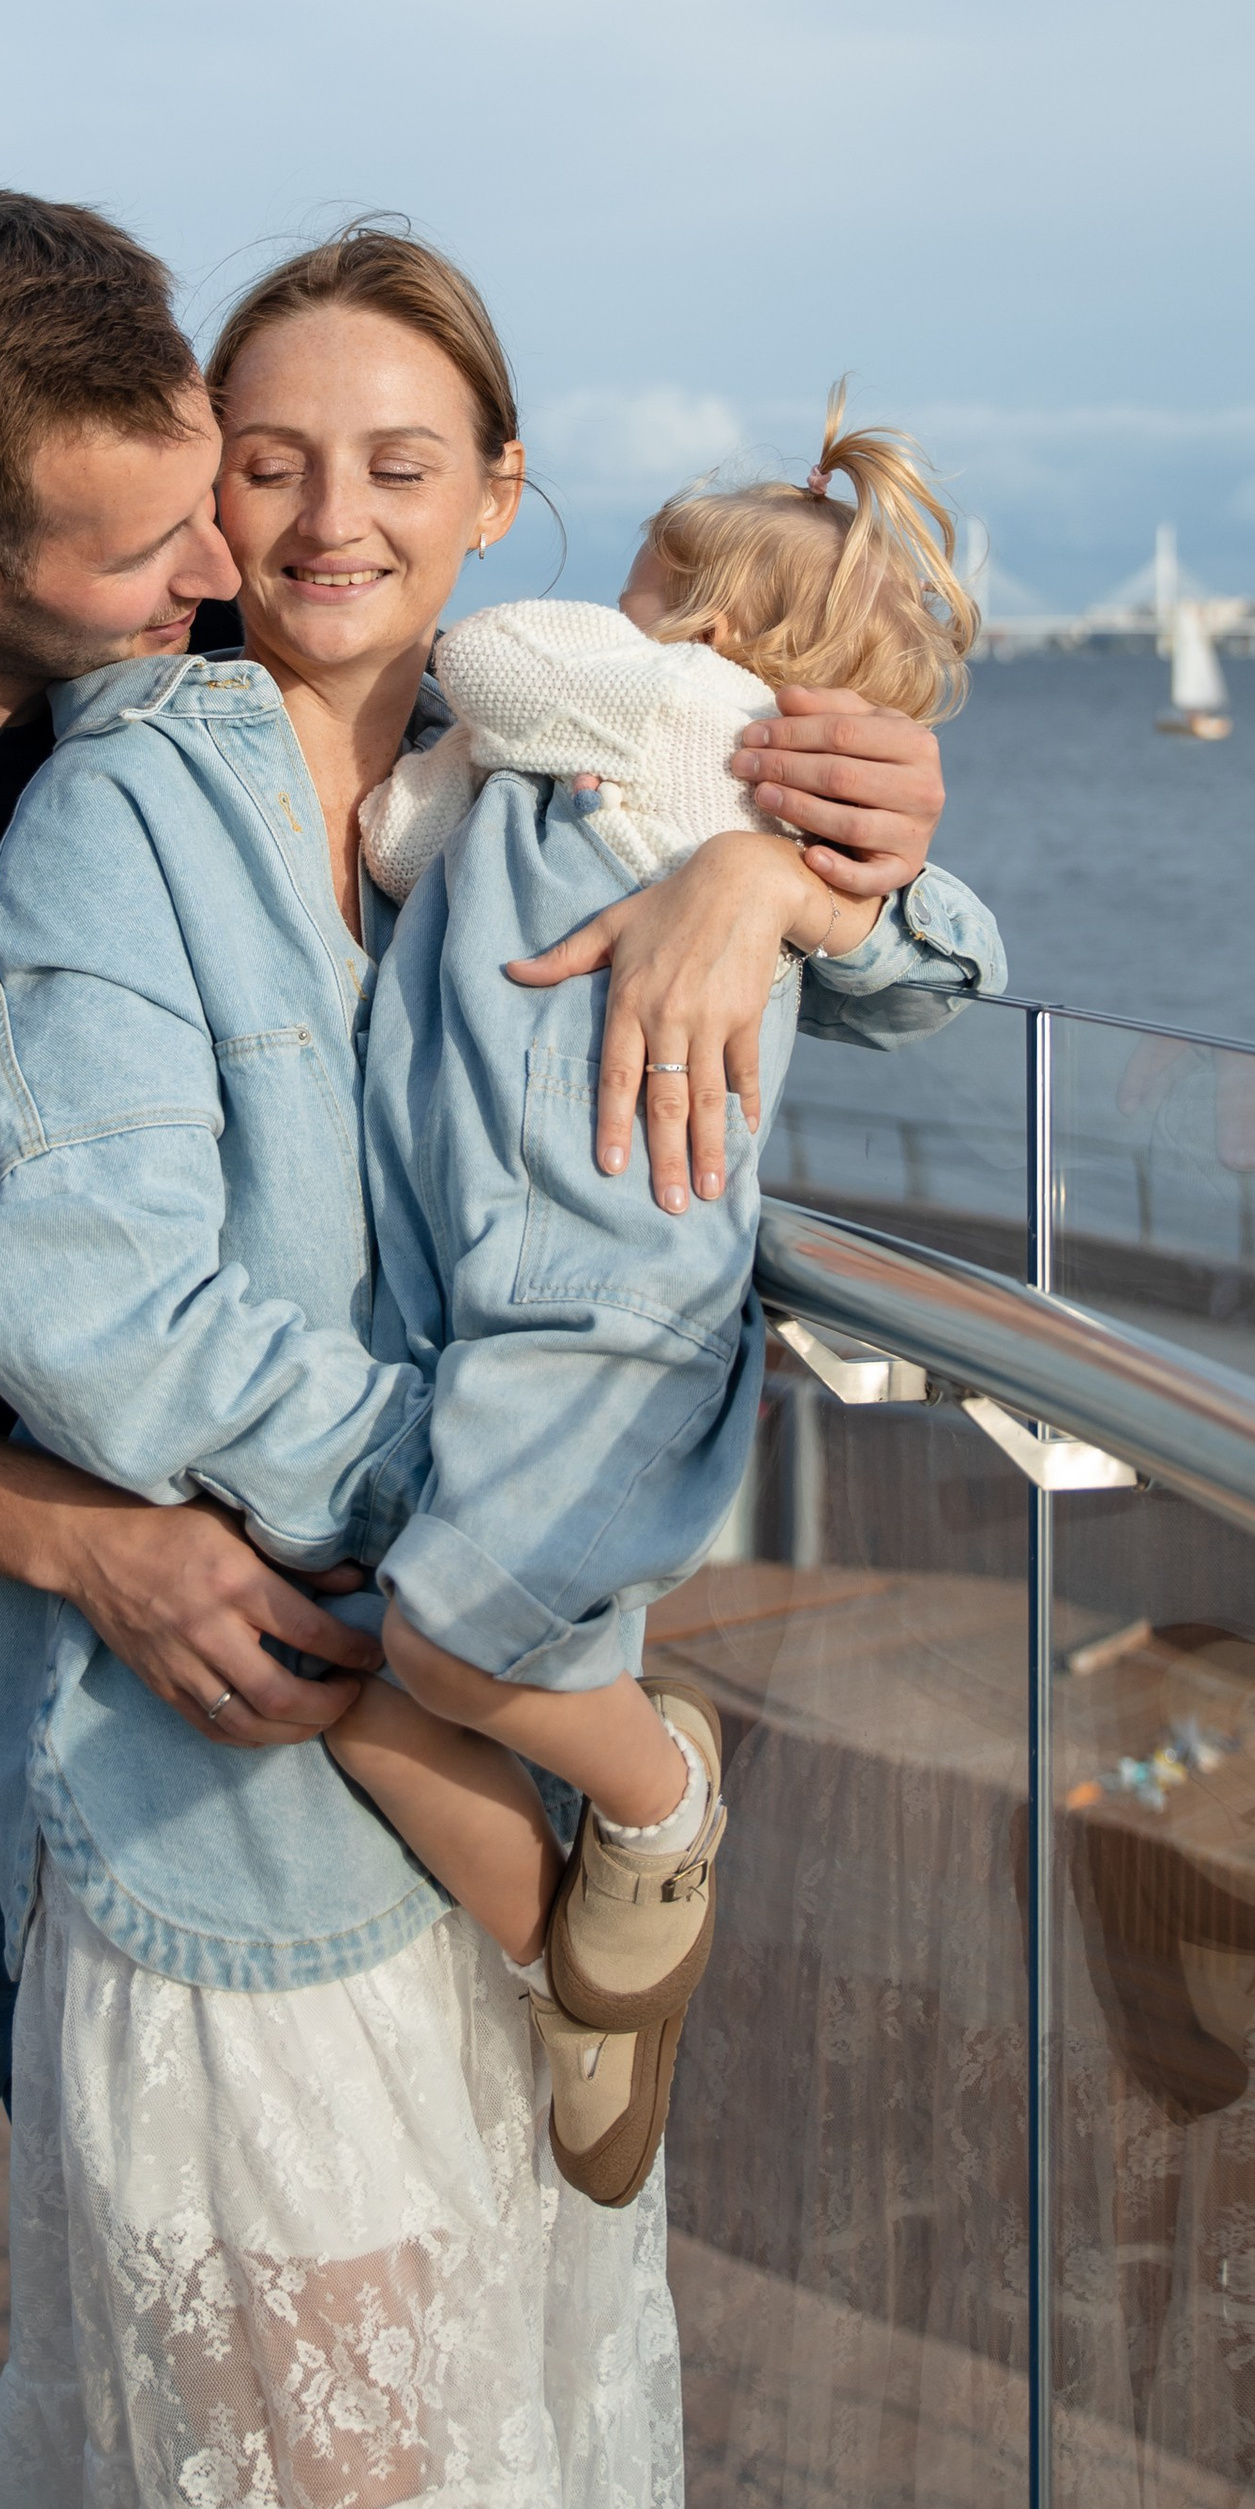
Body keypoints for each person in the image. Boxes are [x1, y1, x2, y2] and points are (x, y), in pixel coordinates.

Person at [0, 195, 945, 2509]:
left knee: (297, 2454)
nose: (245, 553)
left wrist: (803, 850)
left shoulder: (278, 659)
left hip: (238, 1684)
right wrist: (300, 1537)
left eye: (242, 491)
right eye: (184, 525)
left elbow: (693, 776)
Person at [329, 382, 997, 2207]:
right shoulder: (598, 782)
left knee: (447, 1657)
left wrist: (529, 691)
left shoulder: (692, 723)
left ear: (713, 631)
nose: (608, 614)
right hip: (493, 1302)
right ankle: (583, 1984)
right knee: (394, 1695)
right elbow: (403, 844)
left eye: (643, 584)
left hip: (602, 1319)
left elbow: (487, 650)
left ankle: (659, 1804)